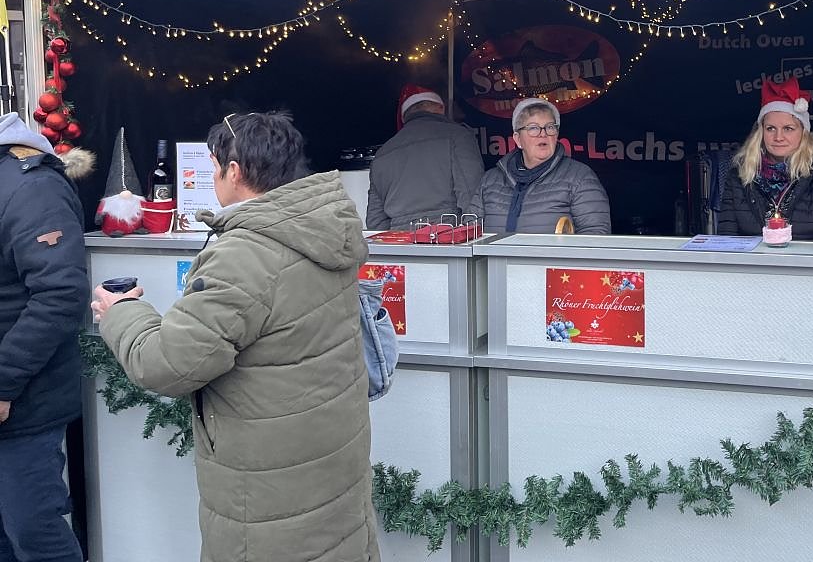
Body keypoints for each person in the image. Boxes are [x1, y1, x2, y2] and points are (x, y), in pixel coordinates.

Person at [92, 111, 380, 562]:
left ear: (234, 171)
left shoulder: (246, 256)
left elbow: (167, 364)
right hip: (328, 465)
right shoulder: (322, 228)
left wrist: (122, 312)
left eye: (212, 169)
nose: (211, 180)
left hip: (268, 494)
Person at [0, 113, 89, 562]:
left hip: (22, 404)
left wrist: (3, 382)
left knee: (34, 534)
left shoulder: (30, 185)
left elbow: (60, 293)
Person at [470, 98, 611, 235]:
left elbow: (595, 236)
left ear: (556, 135)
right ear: (518, 139)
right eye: (533, 128)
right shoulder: (490, 181)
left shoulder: (580, 177)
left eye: (550, 127)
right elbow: (469, 233)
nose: (543, 134)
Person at [719, 78, 813, 239]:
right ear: (761, 132)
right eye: (771, 128)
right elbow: (727, 238)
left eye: (788, 129)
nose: (778, 137)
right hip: (756, 256)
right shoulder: (740, 173)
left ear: (804, 133)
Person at [365, 85, 484, 230]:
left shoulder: (382, 154)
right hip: (448, 235)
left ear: (404, 117)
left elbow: (375, 221)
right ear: (441, 108)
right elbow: (472, 196)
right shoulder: (458, 136)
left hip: (400, 239)